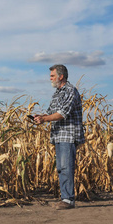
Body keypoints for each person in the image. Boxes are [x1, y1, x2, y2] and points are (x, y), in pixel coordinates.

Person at [33, 64, 85, 210]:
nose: (50, 78)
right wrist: (40, 117)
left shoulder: (70, 91)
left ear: (61, 76)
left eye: (52, 76)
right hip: (58, 135)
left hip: (68, 135)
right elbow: (51, 112)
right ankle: (65, 197)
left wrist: (45, 119)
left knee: (66, 166)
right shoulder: (57, 93)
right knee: (61, 168)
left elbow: (62, 113)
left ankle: (68, 200)